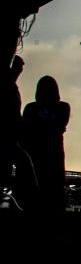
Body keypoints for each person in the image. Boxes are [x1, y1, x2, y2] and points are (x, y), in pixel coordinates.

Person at [21, 75, 70, 213]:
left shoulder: (31, 108)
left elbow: (27, 129)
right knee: (50, 191)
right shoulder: (62, 107)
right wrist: (50, 124)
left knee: (39, 192)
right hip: (51, 153)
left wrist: (38, 126)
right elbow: (58, 126)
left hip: (38, 153)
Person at [1, 55, 37, 210]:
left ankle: (26, 199)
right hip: (7, 136)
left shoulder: (11, 86)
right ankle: (32, 200)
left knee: (17, 164)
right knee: (24, 163)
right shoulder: (9, 86)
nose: (19, 73)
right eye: (18, 69)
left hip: (10, 135)